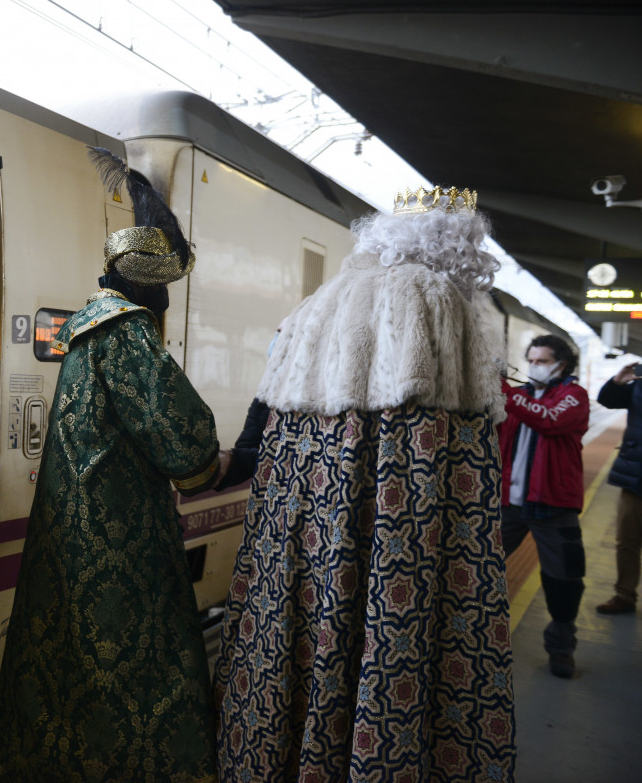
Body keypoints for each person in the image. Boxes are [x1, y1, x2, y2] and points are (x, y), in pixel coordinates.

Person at [216, 186, 515, 781]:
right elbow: (450, 444)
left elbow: (267, 420)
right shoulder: (435, 296)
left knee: (304, 618)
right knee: (379, 622)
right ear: (452, 246)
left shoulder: (316, 302)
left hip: (303, 507)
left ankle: (281, 753)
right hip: (390, 500)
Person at [0, 148, 220, 783]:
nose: (167, 299)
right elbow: (184, 438)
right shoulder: (127, 334)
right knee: (137, 666)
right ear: (149, 284)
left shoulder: (88, 330)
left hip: (73, 530)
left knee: (63, 658)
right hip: (118, 533)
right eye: (165, 287)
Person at [498, 335, 589, 678]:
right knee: (480, 568)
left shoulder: (573, 397)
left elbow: (548, 418)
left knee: (564, 580)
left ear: (561, 364)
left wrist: (505, 391)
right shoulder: (518, 397)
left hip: (553, 504)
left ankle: (561, 649)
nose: (534, 366)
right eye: (531, 360)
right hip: (509, 504)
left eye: (541, 360)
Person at [595, 362, 642, 615]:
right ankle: (624, 595)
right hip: (635, 475)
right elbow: (608, 400)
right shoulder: (639, 383)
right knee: (627, 540)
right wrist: (616, 382)